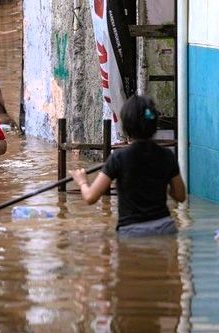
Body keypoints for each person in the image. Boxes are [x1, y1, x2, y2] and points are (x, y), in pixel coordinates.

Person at [69, 95, 186, 237]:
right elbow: (180, 196)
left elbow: (90, 197)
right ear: (154, 124)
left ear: (126, 126)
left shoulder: (118, 158)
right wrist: (159, 183)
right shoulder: (167, 156)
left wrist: (82, 181)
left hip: (131, 232)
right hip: (165, 228)